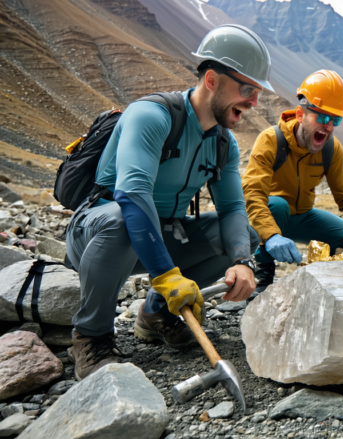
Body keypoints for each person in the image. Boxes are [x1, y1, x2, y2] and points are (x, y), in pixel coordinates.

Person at [65, 24, 268, 380]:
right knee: (122, 221)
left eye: (257, 92)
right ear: (212, 80)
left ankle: (156, 314)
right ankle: (91, 336)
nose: (254, 102)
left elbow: (233, 209)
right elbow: (132, 196)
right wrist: (167, 275)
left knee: (243, 236)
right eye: (247, 89)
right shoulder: (151, 116)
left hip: (160, 235)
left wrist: (242, 261)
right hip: (99, 230)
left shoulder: (224, 144)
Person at [242, 70, 343, 295]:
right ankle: (261, 277)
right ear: (300, 115)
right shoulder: (271, 140)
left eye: (335, 120)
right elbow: (253, 194)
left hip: (302, 216)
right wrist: (271, 236)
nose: (328, 126)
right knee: (278, 205)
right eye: (322, 117)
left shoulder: (331, 147)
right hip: (271, 218)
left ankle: (328, 286)